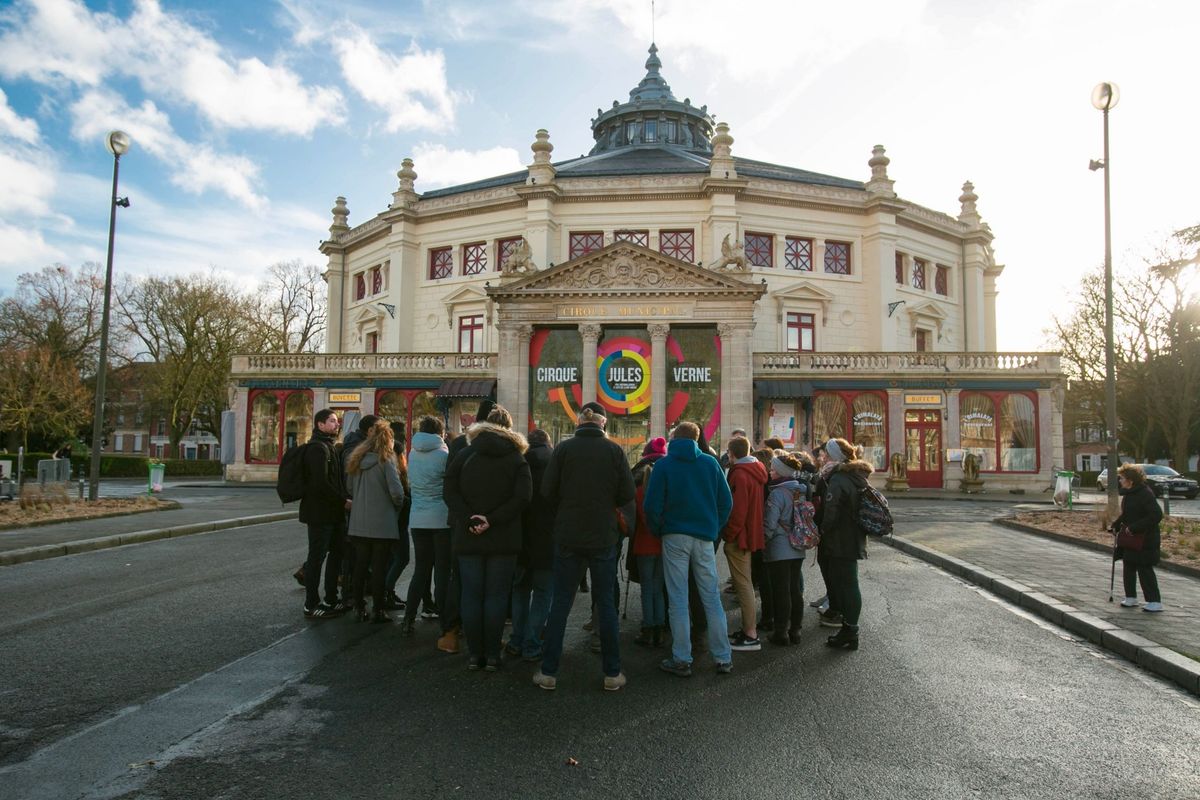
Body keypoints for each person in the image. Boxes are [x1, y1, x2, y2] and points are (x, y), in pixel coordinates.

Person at [534, 402, 635, 692]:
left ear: (579, 422)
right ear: (603, 424)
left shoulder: (564, 450)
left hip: (568, 534)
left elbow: (547, 491)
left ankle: (549, 671)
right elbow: (627, 493)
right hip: (603, 535)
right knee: (605, 603)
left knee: (561, 603)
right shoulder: (614, 451)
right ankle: (612, 673)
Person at [443, 405, 531, 671]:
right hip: (504, 537)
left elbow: (449, 490)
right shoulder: (516, 458)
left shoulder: (465, 454)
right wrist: (492, 519)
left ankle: (474, 654)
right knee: (496, 596)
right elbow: (523, 498)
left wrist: (470, 517)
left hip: (468, 535)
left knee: (471, 595)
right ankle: (493, 654)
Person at [644, 421, 734, 677]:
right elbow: (725, 502)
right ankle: (723, 656)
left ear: (674, 437)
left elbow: (652, 505)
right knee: (711, 596)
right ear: (696, 439)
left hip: (674, 535)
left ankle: (682, 657)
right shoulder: (710, 463)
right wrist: (713, 527)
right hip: (704, 535)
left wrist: (658, 528)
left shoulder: (663, 465)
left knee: (678, 598)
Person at [437, 399, 496, 654]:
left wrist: (465, 515)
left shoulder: (460, 444)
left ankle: (452, 629)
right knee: (488, 581)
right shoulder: (502, 447)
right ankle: (485, 637)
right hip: (491, 522)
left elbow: (450, 486)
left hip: (461, 520)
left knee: (459, 576)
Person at [345, 420, 409, 623]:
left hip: (358, 521)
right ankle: (378, 609)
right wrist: (395, 509)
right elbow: (397, 492)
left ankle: (358, 605)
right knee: (379, 567)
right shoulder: (386, 459)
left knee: (360, 565)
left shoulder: (357, 458)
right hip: (382, 521)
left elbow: (350, 488)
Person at [818, 437, 873, 651]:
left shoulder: (840, 478)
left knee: (848, 584)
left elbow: (832, 513)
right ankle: (848, 628)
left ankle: (851, 631)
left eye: (826, 454)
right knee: (847, 582)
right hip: (851, 538)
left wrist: (821, 530)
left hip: (841, 540)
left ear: (834, 457)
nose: (823, 458)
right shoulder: (853, 475)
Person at [508, 428, 556, 661]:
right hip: (547, 541)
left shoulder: (518, 463)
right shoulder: (556, 464)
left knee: (519, 591)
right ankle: (532, 643)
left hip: (520, 539)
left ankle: (516, 639)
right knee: (543, 594)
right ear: (548, 444)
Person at [402, 415, 452, 635]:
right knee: (442, 571)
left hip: (418, 518)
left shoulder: (412, 453)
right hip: (441, 518)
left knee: (421, 569)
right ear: (440, 433)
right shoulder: (444, 455)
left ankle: (408, 619)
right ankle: (445, 622)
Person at [300, 409, 352, 619]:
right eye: (331, 421)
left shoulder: (329, 447)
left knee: (337, 553)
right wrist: (343, 500)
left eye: (336, 421)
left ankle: (331, 597)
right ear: (320, 425)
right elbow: (320, 483)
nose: (336, 424)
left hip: (334, 512)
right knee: (317, 557)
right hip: (319, 513)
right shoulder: (317, 449)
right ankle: (311, 603)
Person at [722, 435, 767, 651]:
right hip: (751, 532)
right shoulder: (756, 469)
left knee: (743, 585)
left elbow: (737, 510)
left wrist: (729, 533)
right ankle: (749, 631)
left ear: (732, 453)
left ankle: (750, 634)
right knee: (745, 582)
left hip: (740, 535)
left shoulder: (739, 474)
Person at [762, 452, 808, 645]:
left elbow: (770, 524)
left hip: (780, 547)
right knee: (794, 589)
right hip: (798, 544)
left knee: (781, 590)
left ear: (781, 472)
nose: (770, 473)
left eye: (772, 469)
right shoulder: (800, 491)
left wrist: (763, 540)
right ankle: (795, 630)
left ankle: (781, 631)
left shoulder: (777, 493)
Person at [1111, 463, 1165, 612]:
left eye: (1121, 478)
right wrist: (1116, 524)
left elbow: (1156, 515)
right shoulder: (1129, 494)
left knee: (1144, 568)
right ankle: (1131, 597)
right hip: (1132, 538)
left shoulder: (1145, 493)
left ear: (1130, 480)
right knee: (1129, 565)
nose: (1120, 481)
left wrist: (1134, 527)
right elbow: (1127, 514)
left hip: (1145, 538)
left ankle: (1154, 601)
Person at [631, 437, 667, 647]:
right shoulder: (664, 492)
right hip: (662, 544)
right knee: (658, 587)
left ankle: (648, 626)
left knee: (646, 588)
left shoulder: (638, 492)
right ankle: (659, 628)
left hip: (644, 544)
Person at [383, 420, 412, 610]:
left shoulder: (382, 457)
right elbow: (397, 493)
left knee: (391, 558)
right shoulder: (393, 459)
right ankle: (386, 591)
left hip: (388, 518)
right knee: (401, 557)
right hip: (396, 519)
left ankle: (387, 592)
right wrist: (405, 501)